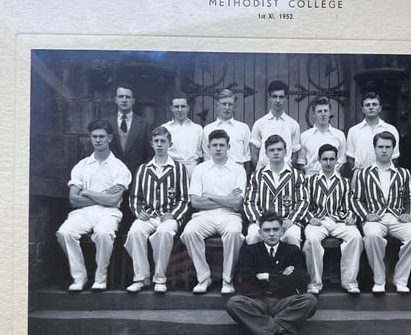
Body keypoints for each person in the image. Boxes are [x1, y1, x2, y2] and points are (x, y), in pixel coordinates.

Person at [56, 119, 132, 292]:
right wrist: (104, 195)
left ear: (110, 138)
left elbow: (113, 201)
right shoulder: (81, 166)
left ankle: (100, 277)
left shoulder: (120, 168)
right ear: (90, 138)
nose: (98, 140)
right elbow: (74, 200)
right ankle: (79, 277)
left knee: (104, 234)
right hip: (82, 213)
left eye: (102, 137)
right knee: (64, 232)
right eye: (94, 136)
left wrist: (88, 192)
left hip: (109, 213)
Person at [226, 211, 317, 335]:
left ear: (282, 231)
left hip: (284, 301)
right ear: (260, 233)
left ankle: (265, 332)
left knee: (310, 301)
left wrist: (267, 276)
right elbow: (247, 283)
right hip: (258, 301)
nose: (272, 234)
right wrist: (282, 278)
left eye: (276, 229)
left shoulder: (292, 250)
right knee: (233, 303)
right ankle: (282, 332)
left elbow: (301, 282)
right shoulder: (249, 251)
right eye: (267, 230)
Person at [353, 131, 411, 294]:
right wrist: (366, 215)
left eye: (387, 147)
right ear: (374, 149)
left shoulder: (403, 173)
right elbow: (355, 199)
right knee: (371, 236)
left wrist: (409, 214)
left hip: (397, 217)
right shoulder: (364, 173)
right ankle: (379, 280)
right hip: (374, 217)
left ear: (393, 149)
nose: (384, 150)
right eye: (380, 147)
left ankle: (400, 279)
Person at [124, 126, 190, 294]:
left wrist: (173, 215)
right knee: (135, 231)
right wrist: (139, 212)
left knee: (164, 232)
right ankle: (141, 277)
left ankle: (160, 278)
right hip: (148, 216)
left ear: (170, 144)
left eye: (163, 141)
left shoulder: (179, 169)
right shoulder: (143, 169)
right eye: (156, 141)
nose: (160, 144)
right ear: (152, 144)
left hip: (168, 217)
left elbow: (184, 199)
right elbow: (134, 198)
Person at [182, 129, 247, 295]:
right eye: (214, 145)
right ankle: (203, 278)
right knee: (189, 232)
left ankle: (227, 280)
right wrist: (226, 198)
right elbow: (195, 202)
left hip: (230, 216)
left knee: (233, 232)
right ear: (209, 147)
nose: (218, 148)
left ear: (228, 147)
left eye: (222, 145)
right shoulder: (200, 169)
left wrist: (210, 196)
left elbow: (237, 203)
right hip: (204, 216)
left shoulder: (238, 170)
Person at [302, 144, 363, 295]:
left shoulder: (345, 182)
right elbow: (304, 203)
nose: (328, 163)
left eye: (331, 159)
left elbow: (351, 203)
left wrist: (351, 216)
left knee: (355, 237)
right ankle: (315, 283)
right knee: (311, 239)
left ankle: (349, 282)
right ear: (319, 160)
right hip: (318, 220)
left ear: (337, 160)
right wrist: (310, 218)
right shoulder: (310, 181)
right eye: (325, 159)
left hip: (339, 221)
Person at [244, 134, 308, 247]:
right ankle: (256, 265)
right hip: (263, 220)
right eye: (272, 150)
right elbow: (249, 201)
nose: (276, 152)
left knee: (292, 236)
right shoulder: (258, 175)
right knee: (254, 234)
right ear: (266, 153)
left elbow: (302, 201)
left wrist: (291, 219)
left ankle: (293, 265)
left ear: (285, 151)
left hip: (287, 220)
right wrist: (258, 219)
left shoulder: (297, 175)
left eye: (279, 149)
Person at [250, 80, 301, 172]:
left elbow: (294, 154)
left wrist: (286, 169)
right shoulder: (259, 123)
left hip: (286, 173)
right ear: (269, 97)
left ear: (285, 98)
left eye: (281, 97)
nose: (278, 101)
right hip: (264, 172)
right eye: (274, 97)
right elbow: (254, 154)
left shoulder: (293, 125)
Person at [345, 91, 400, 175]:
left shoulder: (391, 129)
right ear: (362, 109)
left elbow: (395, 157)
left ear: (380, 108)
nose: (371, 107)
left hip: (384, 174)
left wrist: (384, 173)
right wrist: (358, 174)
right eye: (367, 105)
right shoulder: (354, 131)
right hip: (360, 174)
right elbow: (350, 157)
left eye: (374, 104)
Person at [106, 83, 152, 178]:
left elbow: (150, 154)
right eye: (121, 96)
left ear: (133, 101)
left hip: (137, 177)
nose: (124, 100)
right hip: (111, 177)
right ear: (115, 100)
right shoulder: (106, 123)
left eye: (127, 97)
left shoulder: (145, 124)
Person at [202, 89, 252, 175]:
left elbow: (247, 158)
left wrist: (245, 179)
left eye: (230, 104)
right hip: (215, 173)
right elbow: (207, 157)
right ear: (217, 105)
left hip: (238, 172)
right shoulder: (208, 129)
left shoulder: (243, 128)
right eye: (224, 104)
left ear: (234, 106)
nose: (227, 108)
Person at [298, 97, 347, 177]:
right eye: (319, 111)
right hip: (311, 177)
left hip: (333, 178)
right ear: (314, 114)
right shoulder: (304, 136)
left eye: (325, 111)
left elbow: (342, 162)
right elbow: (301, 163)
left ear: (330, 112)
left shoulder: (339, 135)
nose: (323, 114)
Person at [160, 95, 203, 179]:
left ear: (188, 108)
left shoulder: (197, 128)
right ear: (171, 108)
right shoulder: (165, 128)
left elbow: (199, 153)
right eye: (176, 107)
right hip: (171, 169)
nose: (180, 110)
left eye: (183, 106)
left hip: (192, 169)